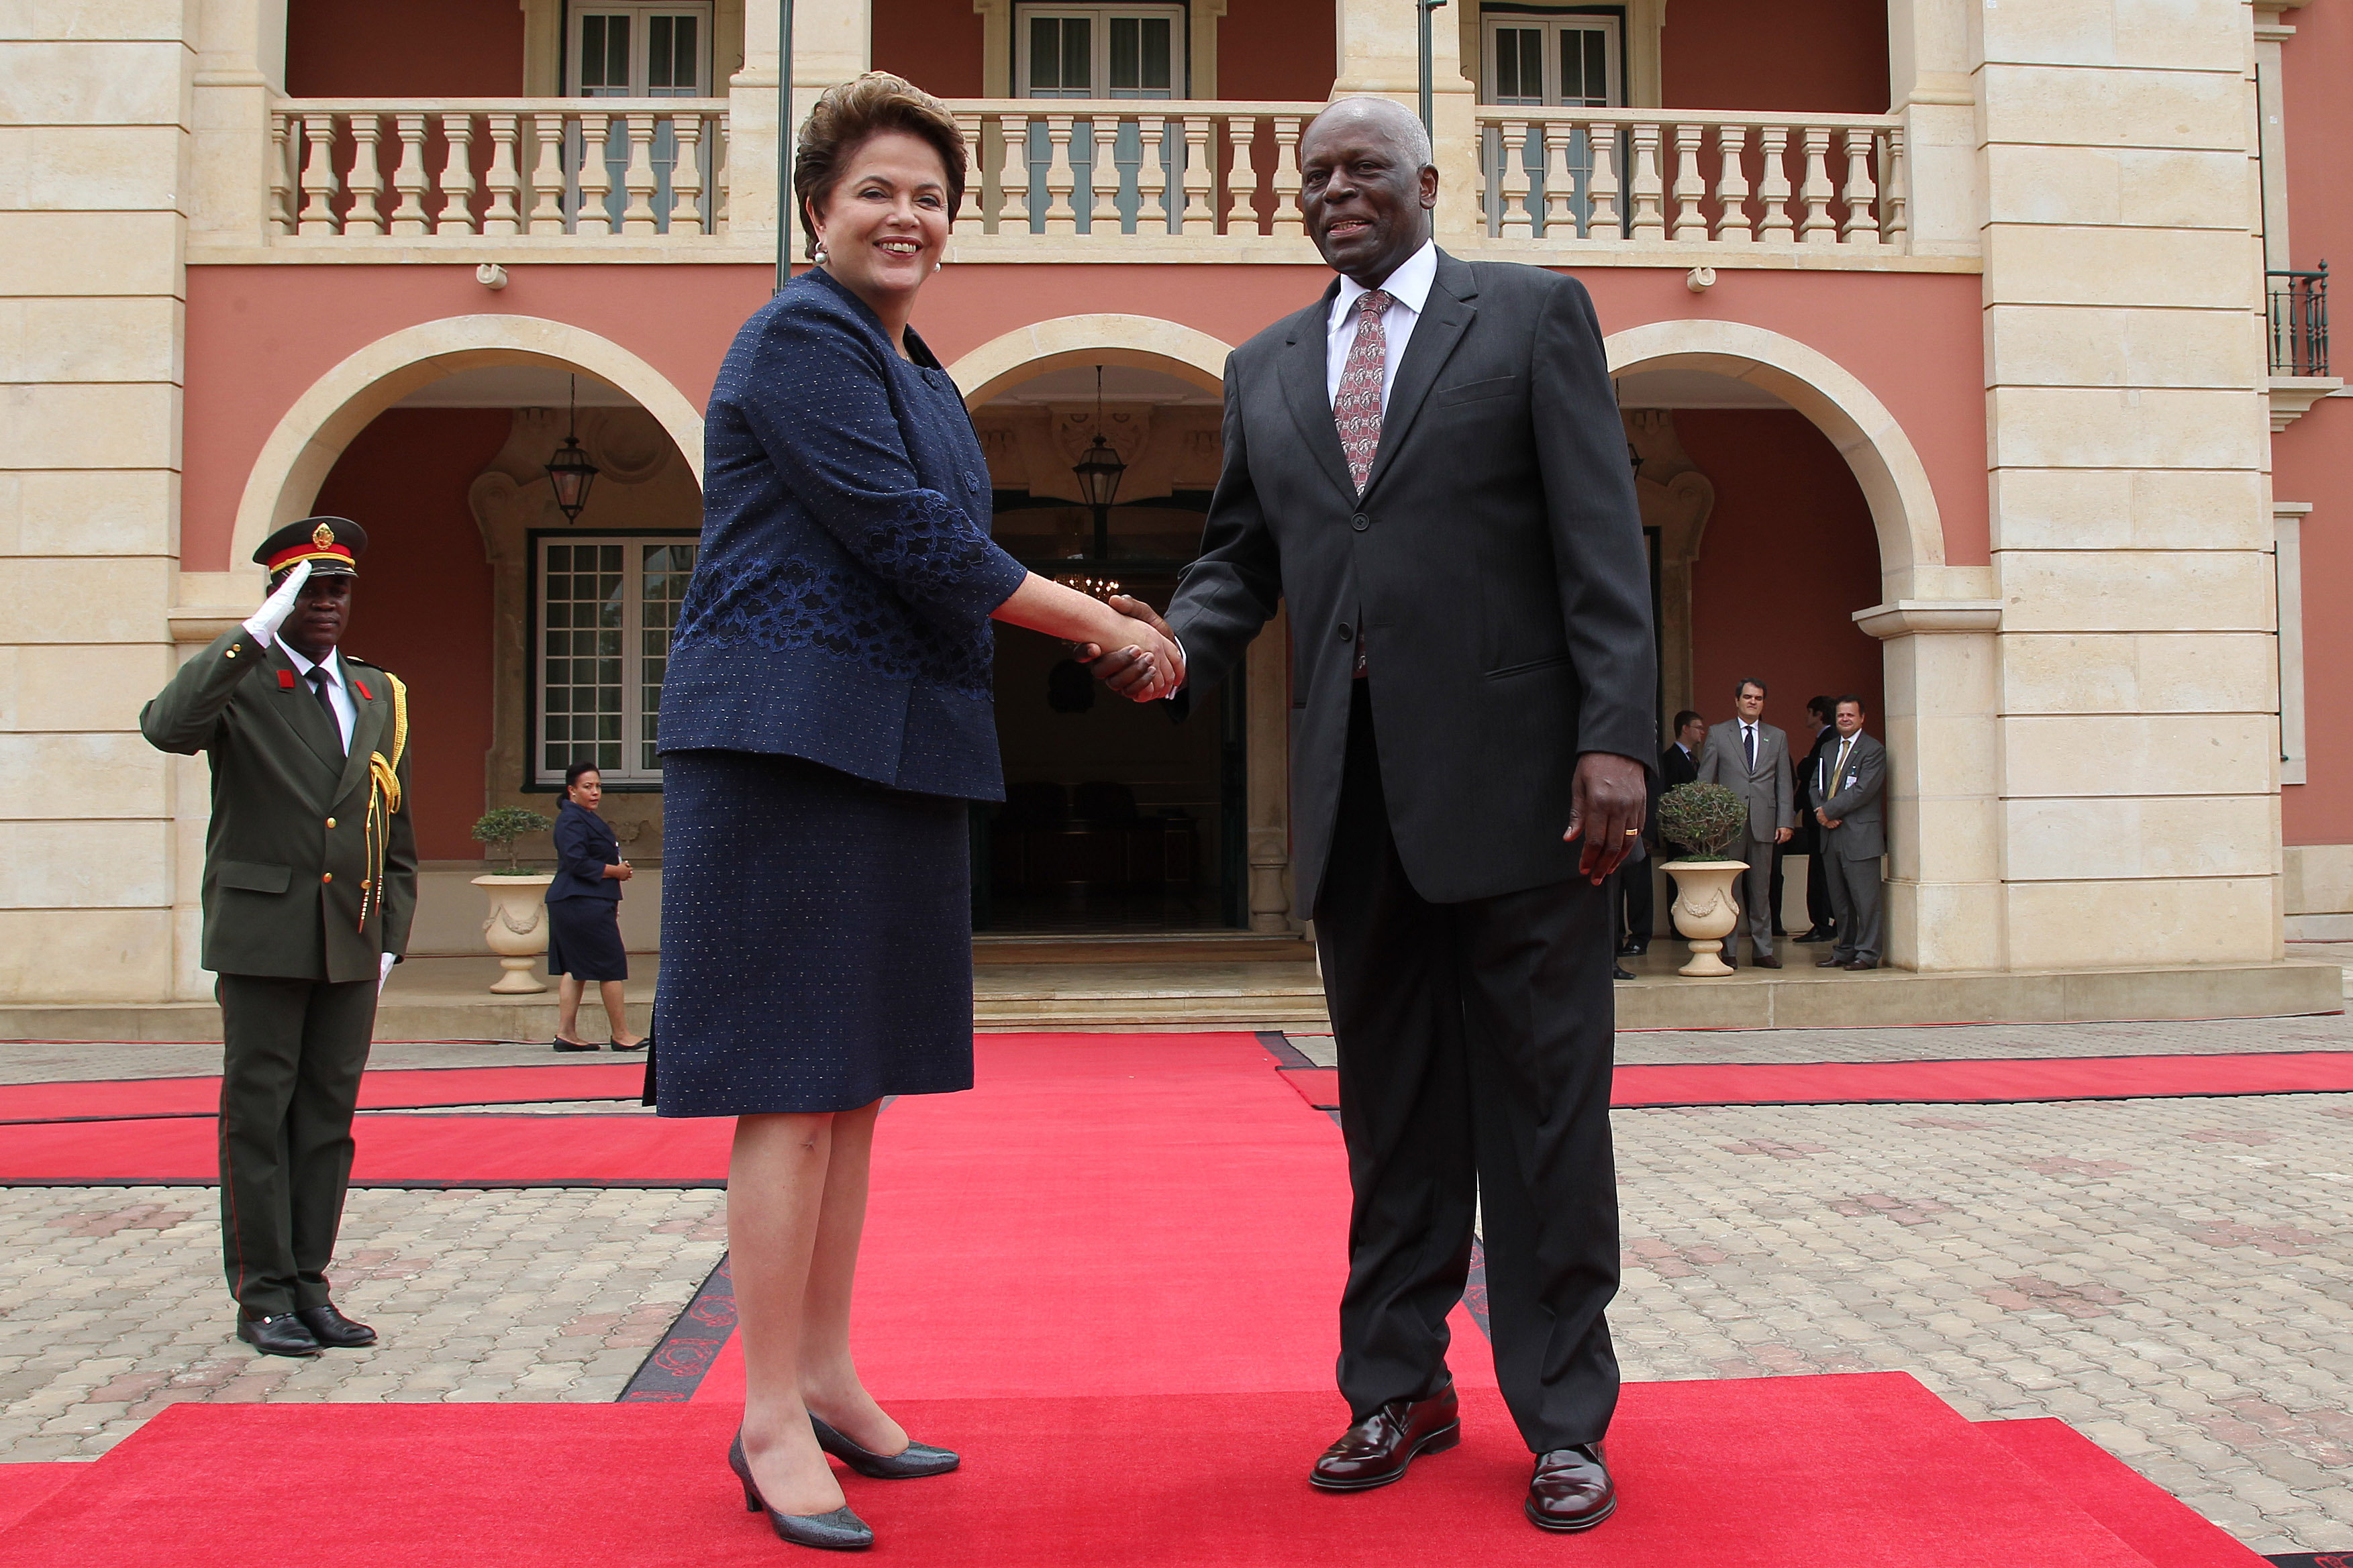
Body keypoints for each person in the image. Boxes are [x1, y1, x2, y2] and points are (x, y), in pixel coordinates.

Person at [1091, 95, 1654, 1534]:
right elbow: (1240, 557)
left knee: (1543, 1114)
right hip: (1355, 803)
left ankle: (1565, 1416)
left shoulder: (1527, 318)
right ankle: (1394, 1386)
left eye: (1362, 168)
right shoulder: (1265, 365)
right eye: (1315, 175)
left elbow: (1599, 539)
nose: (1336, 190)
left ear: (1424, 180)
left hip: (1529, 800)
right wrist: (1172, 646)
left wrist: (1614, 742)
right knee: (1391, 1121)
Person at [648, 73, 1181, 1552]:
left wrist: (1102, 609)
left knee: (858, 1081)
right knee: (790, 1082)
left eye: (932, 196)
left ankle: (824, 1371)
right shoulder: (799, 338)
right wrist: (1104, 632)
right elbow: (916, 541)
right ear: (818, 206)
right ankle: (763, 1411)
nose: (907, 216)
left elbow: (953, 544)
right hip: (787, 744)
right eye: (878, 189)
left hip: (894, 745)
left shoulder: (922, 371)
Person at [138, 519, 415, 1359]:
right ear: (278, 597)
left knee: (327, 1119)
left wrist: (392, 932)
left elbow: (390, 819)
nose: (326, 603)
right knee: (258, 1117)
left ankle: (310, 1285)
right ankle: (262, 1295)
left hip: (349, 936)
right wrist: (250, 635)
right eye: (307, 589)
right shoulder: (244, 685)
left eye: (337, 588)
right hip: (263, 932)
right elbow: (165, 726)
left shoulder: (377, 693)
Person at [545, 761, 643, 1051]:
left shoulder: (582, 817)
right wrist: (616, 872)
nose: (595, 792)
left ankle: (566, 1034)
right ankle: (621, 1034)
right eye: (587, 787)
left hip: (583, 900)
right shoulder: (571, 819)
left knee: (576, 969)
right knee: (610, 966)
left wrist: (616, 872)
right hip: (579, 901)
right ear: (571, 790)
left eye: (598, 786)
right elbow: (576, 862)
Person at [1697, 679, 1793, 969]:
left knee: (1761, 890)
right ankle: (1729, 950)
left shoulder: (1776, 736)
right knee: (1730, 890)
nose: (1753, 702)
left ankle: (1763, 950)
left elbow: (1784, 783)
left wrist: (1786, 821)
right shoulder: (1718, 733)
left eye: (1759, 698)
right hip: (1729, 825)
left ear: (1764, 703)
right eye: (1748, 697)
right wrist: (1708, 822)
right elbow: (1705, 781)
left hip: (1765, 822)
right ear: (1737, 700)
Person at [1812, 696, 1888, 971]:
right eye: (1841, 715)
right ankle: (1845, 949)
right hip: (1830, 836)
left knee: (1865, 900)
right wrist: (1821, 812)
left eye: (1850, 715)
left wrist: (1828, 811)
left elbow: (1863, 790)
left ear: (1862, 718)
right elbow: (1814, 785)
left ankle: (1868, 953)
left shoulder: (1873, 750)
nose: (1845, 719)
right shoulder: (1828, 748)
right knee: (1840, 900)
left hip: (1860, 837)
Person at [1791, 696, 1839, 945]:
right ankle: (1826, 921)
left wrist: (1794, 808)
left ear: (1819, 714)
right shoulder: (1828, 739)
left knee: (1821, 872)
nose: (1805, 717)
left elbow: (1810, 775)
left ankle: (1822, 923)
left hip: (1822, 817)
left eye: (1809, 712)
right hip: (1820, 817)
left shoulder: (1828, 740)